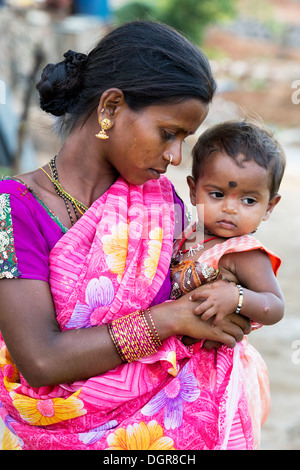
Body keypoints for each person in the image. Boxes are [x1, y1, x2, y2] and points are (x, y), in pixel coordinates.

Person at [0, 21, 253, 451]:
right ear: (111, 107)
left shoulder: (163, 203)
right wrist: (169, 319)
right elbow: (41, 359)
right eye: (167, 133)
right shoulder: (10, 210)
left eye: (184, 140)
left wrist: (228, 303)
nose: (174, 156)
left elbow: (199, 288)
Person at [169, 120, 285, 446]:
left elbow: (274, 307)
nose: (230, 209)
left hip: (220, 370)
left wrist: (235, 296)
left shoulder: (244, 253)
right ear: (193, 190)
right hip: (179, 365)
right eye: (217, 194)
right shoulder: (186, 236)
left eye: (249, 200)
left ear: (269, 207)